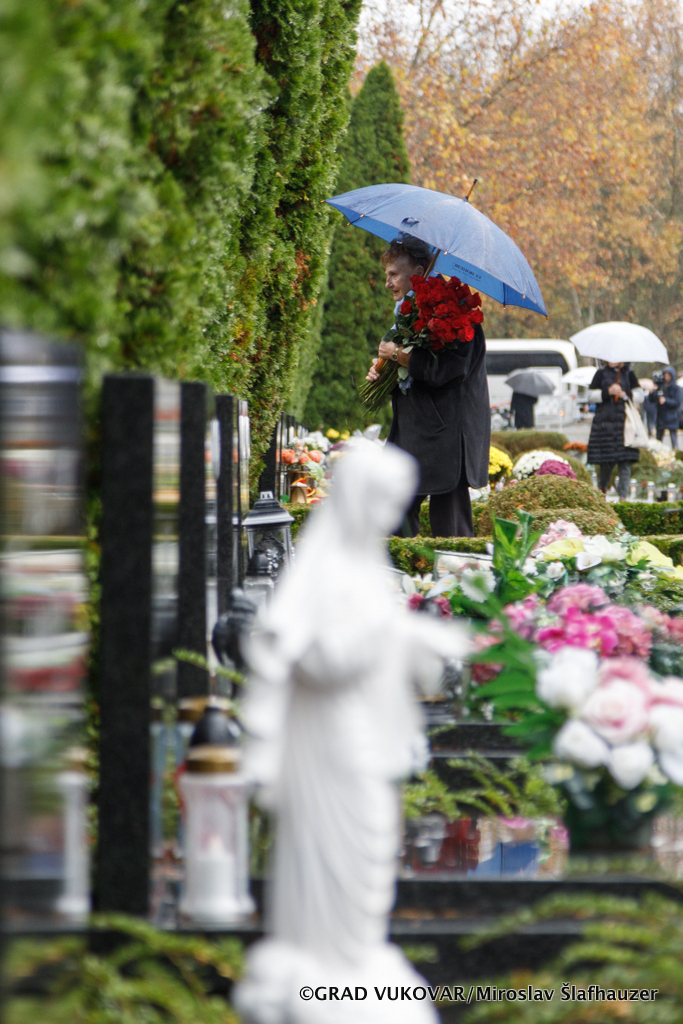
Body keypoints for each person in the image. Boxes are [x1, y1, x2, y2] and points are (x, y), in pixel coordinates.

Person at [235, 443, 466, 1024]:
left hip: (367, 731)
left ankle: (355, 954)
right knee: (336, 852)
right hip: (332, 740)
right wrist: (393, 636)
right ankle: (329, 963)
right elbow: (315, 658)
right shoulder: (328, 571)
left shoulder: (360, 564)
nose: (388, 515)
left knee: (371, 848)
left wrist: (415, 643)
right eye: (382, 501)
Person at [365, 236, 490, 537]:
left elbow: (448, 371)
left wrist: (398, 355)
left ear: (419, 272)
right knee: (393, 519)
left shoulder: (457, 313)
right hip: (414, 434)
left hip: (445, 437)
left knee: (450, 531)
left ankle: (453, 570)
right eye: (387, 275)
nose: (388, 283)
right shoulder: (410, 312)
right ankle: (398, 569)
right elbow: (412, 372)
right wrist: (384, 371)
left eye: (394, 274)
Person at [587, 361, 640, 497]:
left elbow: (639, 396)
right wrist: (607, 392)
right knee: (606, 463)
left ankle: (623, 497)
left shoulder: (629, 374)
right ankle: (602, 491)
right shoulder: (600, 374)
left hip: (625, 427)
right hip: (605, 428)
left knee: (625, 463)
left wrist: (625, 394)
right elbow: (590, 396)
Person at [656, 366, 680, 449]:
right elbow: (653, 400)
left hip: (672, 416)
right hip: (661, 416)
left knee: (673, 439)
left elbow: (677, 402)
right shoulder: (661, 387)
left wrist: (666, 400)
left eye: (668, 375)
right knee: (659, 440)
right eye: (665, 375)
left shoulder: (676, 388)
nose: (666, 377)